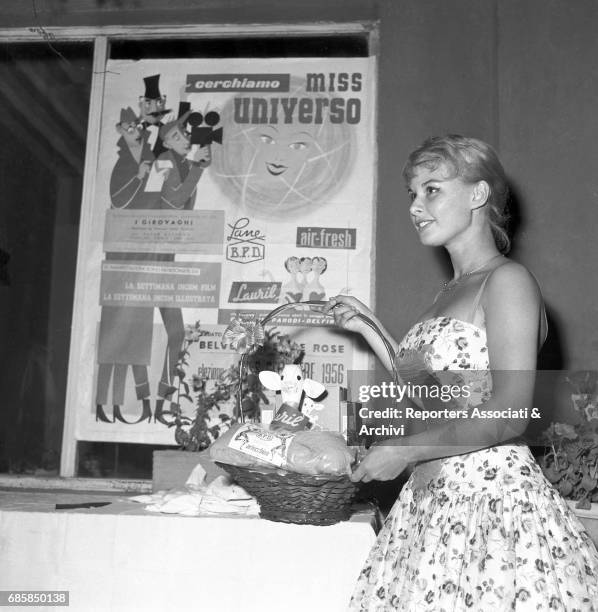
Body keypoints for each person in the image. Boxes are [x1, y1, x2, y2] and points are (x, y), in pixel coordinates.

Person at [325, 135, 598, 610]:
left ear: (478, 195)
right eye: (412, 194)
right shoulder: (448, 292)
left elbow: (511, 412)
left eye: (432, 190)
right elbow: (432, 397)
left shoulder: (506, 280)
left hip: (489, 510)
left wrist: (402, 449)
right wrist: (371, 328)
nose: (415, 206)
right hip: (430, 507)